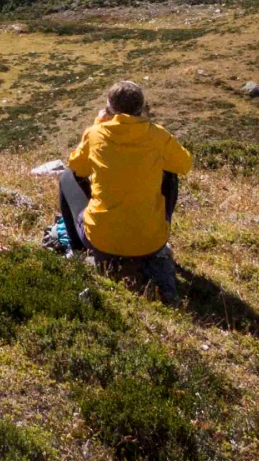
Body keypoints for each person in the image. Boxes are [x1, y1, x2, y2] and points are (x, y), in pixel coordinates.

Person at [55, 79, 192, 304]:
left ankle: (79, 250)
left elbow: (77, 168)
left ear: (109, 107)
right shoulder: (157, 135)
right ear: (142, 107)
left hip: (100, 240)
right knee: (171, 173)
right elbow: (184, 164)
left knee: (67, 177)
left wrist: (99, 123)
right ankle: (159, 231)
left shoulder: (96, 133)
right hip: (151, 242)